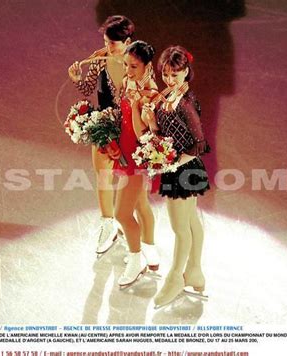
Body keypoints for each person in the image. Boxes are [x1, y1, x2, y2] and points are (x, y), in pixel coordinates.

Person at [143, 45, 210, 307]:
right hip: (175, 167)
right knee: (191, 221)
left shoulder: (186, 102)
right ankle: (194, 271)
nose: (169, 80)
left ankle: (175, 278)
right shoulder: (166, 97)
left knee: (180, 229)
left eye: (175, 74)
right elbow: (164, 132)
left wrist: (171, 165)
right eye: (166, 74)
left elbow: (199, 143)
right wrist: (151, 122)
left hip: (185, 169)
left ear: (186, 72)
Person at [68, 15, 134, 256]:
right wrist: (77, 80)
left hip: (131, 125)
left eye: (113, 44)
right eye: (106, 42)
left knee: (131, 177)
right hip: (104, 123)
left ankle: (127, 221)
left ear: (127, 41)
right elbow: (88, 89)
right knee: (103, 174)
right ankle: (108, 225)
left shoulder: (136, 62)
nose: (108, 48)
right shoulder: (99, 59)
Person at [106, 40, 160, 287]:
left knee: (121, 214)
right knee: (140, 205)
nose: (128, 71)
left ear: (148, 67)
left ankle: (136, 260)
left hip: (138, 159)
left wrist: (138, 103)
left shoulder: (150, 95)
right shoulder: (130, 83)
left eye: (134, 67)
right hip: (125, 152)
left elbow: (143, 135)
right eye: (126, 65)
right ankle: (150, 251)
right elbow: (122, 118)